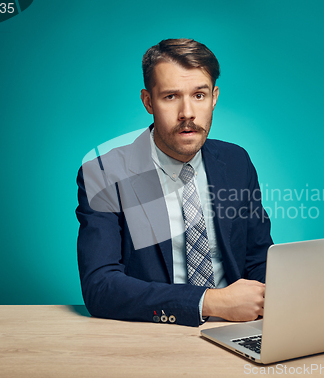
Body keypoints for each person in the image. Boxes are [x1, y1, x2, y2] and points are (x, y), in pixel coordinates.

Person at [76, 38, 273, 327]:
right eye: (171, 96)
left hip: (237, 330)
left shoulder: (236, 162)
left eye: (199, 95)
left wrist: (282, 297)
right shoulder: (104, 174)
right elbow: (101, 286)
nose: (188, 113)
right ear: (148, 102)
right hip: (154, 335)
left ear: (214, 97)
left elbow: (259, 260)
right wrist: (208, 302)